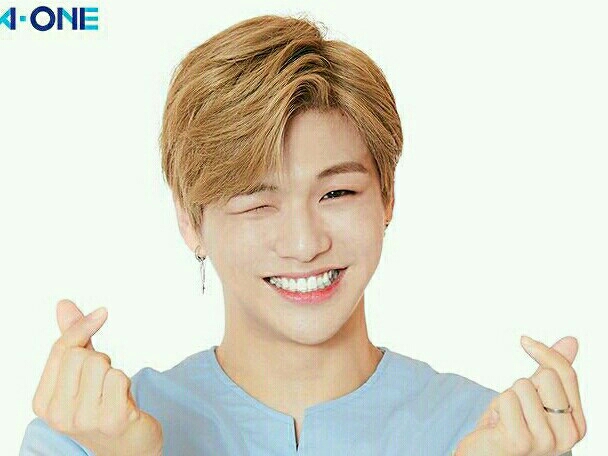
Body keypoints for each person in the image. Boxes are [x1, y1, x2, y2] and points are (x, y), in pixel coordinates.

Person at [20, 14, 583, 456]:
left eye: (336, 193)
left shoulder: (498, 436)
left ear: (387, 196)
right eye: (258, 202)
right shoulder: (88, 435)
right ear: (190, 222)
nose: (305, 243)